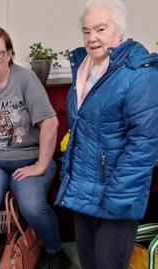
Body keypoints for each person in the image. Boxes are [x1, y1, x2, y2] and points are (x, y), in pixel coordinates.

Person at [56, 0, 158, 268]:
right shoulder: (83, 67)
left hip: (117, 197)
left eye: (100, 29)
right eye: (87, 31)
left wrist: (116, 198)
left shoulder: (139, 75)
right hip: (84, 192)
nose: (92, 38)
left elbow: (144, 145)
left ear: (120, 31)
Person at [0, 27, 68, 269]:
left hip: (28, 159)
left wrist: (41, 165)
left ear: (9, 54)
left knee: (32, 205)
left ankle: (55, 251)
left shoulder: (25, 79)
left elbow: (50, 123)